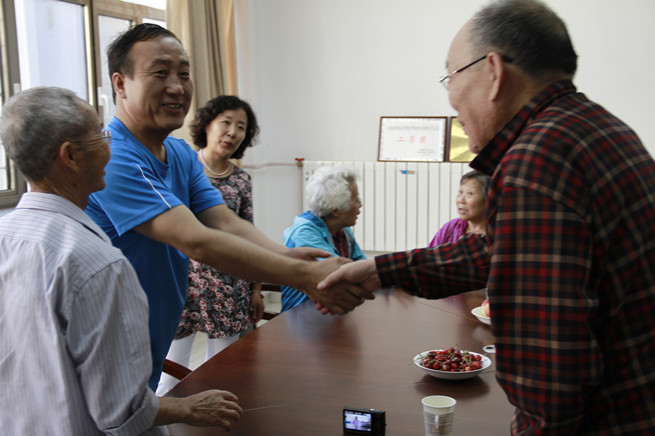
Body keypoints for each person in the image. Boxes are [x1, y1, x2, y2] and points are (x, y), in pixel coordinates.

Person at [318, 0, 655, 434]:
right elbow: (500, 253)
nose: (451, 100)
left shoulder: (536, 162)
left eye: (451, 76)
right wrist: (382, 269)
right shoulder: (601, 129)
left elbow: (550, 369)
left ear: (493, 71)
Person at [85, 23, 374, 390]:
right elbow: (196, 241)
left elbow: (224, 221)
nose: (177, 87)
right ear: (120, 83)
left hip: (152, 323)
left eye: (184, 74)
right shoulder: (113, 155)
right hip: (112, 333)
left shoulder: (179, 153)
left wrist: (289, 256)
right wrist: (303, 275)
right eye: (160, 73)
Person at [0, 86, 242, 435]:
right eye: (101, 136)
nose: (110, 146)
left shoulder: (7, 236)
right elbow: (121, 411)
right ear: (70, 156)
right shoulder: (96, 264)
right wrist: (189, 407)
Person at [158, 95, 264, 395]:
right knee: (170, 372)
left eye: (241, 127)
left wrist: (256, 289)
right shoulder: (181, 166)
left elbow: (247, 232)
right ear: (207, 125)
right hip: (182, 281)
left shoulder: (241, 180)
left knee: (221, 372)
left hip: (228, 284)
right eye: (226, 122)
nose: (233, 132)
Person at [280, 166, 366, 312]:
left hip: (332, 309)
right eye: (355, 199)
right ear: (335, 210)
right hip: (303, 314)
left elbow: (361, 264)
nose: (360, 205)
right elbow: (337, 274)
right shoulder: (304, 233)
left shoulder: (342, 229)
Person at [428, 170, 490, 247]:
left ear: (488, 198)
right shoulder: (450, 228)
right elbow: (430, 252)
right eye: (460, 192)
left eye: (469, 193)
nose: (461, 200)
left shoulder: (498, 233)